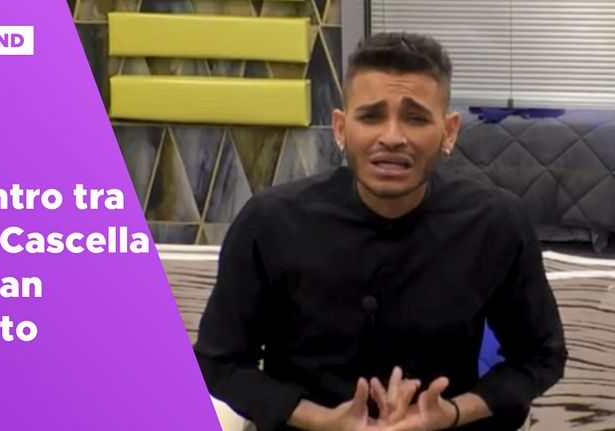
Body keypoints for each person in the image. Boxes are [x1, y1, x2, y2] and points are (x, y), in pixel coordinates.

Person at [193, 32, 567, 431]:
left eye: (416, 118)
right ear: (341, 128)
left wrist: (454, 412)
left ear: (449, 131)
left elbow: (540, 355)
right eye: (371, 117)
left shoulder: (496, 224)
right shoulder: (270, 222)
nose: (391, 137)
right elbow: (220, 361)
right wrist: (322, 420)